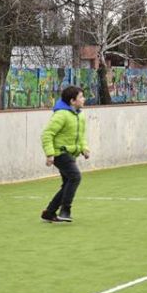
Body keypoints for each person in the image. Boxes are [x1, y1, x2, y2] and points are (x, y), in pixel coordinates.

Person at [40, 86, 90, 223]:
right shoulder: (61, 114)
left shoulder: (80, 115)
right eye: (81, 97)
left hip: (71, 154)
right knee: (75, 177)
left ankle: (49, 212)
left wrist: (84, 148)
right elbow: (47, 134)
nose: (84, 99)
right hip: (60, 153)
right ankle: (65, 210)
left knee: (68, 183)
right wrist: (49, 154)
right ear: (72, 101)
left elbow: (80, 135)